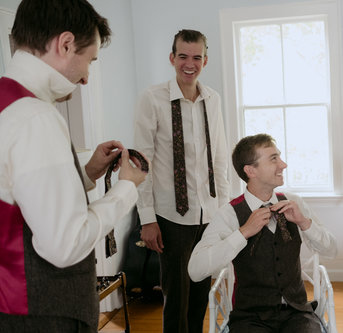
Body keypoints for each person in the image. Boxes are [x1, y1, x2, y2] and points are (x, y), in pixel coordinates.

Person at [0, 0, 148, 331]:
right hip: (44, 314)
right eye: (89, 61)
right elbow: (64, 245)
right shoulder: (35, 117)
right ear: (66, 44)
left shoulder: (6, 107)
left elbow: (19, 198)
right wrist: (126, 188)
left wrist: (87, 174)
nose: (85, 79)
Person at [133, 29, 232, 333]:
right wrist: (147, 219)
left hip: (209, 215)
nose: (190, 63)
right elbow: (141, 163)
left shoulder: (212, 99)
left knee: (200, 294)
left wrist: (225, 211)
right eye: (183, 56)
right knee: (176, 299)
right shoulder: (152, 98)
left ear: (205, 60)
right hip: (170, 217)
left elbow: (218, 156)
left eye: (197, 57)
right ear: (172, 58)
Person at [188, 133, 337, 332]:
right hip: (250, 318)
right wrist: (242, 233)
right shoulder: (229, 214)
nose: (283, 165)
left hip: (297, 314)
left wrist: (303, 222)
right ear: (251, 170)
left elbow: (332, 250)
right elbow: (195, 271)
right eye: (274, 159)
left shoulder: (294, 202)